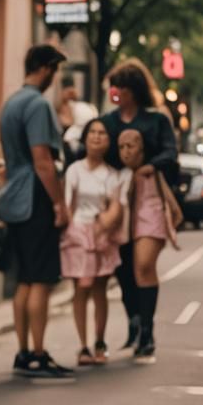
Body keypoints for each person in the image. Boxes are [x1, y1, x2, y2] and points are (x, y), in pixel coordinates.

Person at [0, 44, 73, 381]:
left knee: (24, 279)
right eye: (54, 71)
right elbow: (43, 160)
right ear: (45, 68)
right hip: (35, 199)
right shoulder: (38, 105)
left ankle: (24, 351)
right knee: (41, 279)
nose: (54, 78)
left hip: (14, 198)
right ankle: (38, 355)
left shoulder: (10, 103)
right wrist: (59, 203)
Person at [100, 60, 179, 351]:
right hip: (117, 197)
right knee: (123, 267)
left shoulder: (156, 120)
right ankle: (134, 318)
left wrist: (149, 166)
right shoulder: (107, 122)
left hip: (148, 196)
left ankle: (147, 329)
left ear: (132, 90)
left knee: (143, 264)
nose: (115, 93)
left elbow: (171, 154)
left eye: (119, 87)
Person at [60, 119, 123, 365]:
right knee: (81, 288)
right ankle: (82, 345)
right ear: (85, 138)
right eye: (92, 133)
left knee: (99, 289)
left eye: (102, 133)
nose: (97, 137)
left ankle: (99, 341)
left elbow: (113, 206)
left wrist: (103, 226)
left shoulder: (112, 174)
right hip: (77, 233)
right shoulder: (74, 170)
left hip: (102, 234)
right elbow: (68, 204)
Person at [117, 128, 178, 364]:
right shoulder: (120, 174)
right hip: (125, 225)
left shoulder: (153, 172)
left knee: (143, 266)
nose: (125, 152)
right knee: (127, 273)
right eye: (121, 147)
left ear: (142, 147)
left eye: (130, 146)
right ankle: (137, 324)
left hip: (150, 218)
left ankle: (147, 332)